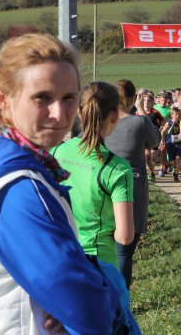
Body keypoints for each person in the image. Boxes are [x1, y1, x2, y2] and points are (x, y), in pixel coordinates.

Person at [0, 33, 122, 333]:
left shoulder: (2, 157)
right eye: (42, 98)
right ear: (3, 99)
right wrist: (101, 295)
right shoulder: (18, 186)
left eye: (68, 98)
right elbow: (84, 306)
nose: (59, 114)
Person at [52, 82, 135, 268]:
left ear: (79, 113)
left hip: (60, 258)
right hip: (98, 265)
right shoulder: (117, 169)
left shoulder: (56, 152)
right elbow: (124, 236)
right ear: (115, 115)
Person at [105, 78, 161, 288]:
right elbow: (155, 141)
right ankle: (121, 296)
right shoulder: (139, 122)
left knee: (106, 246)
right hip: (132, 188)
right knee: (124, 251)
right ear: (132, 98)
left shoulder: (104, 122)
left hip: (104, 185)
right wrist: (142, 111)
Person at [160, 106, 181, 182]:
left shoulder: (180, 123)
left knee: (178, 159)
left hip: (178, 144)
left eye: (178, 114)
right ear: (172, 115)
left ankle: (176, 175)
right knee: (172, 162)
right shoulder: (168, 123)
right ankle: (171, 166)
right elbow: (163, 132)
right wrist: (162, 140)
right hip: (170, 144)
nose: (177, 116)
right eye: (176, 114)